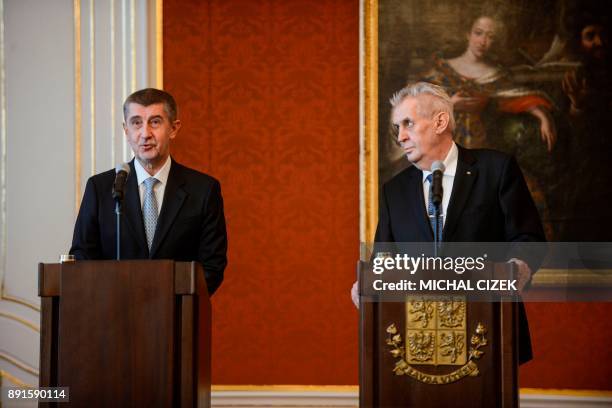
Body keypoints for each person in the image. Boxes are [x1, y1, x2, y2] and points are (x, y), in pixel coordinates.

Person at [351, 82, 545, 364]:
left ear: (440, 121)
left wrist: (518, 268)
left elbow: (529, 238)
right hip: (416, 340)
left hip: (487, 332)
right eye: (397, 128)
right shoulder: (394, 190)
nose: (401, 136)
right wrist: (368, 283)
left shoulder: (496, 169)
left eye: (408, 123)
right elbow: (385, 259)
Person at [70, 88, 227, 294]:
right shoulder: (100, 188)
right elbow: (82, 256)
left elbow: (212, 266)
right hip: (112, 317)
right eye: (136, 123)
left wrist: (171, 302)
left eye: (155, 122)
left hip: (178, 317)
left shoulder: (204, 190)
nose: (145, 134)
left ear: (173, 128)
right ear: (126, 131)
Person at [422, 14, 556, 152]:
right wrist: (450, 104)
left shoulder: (497, 75)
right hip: (440, 138)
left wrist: (543, 117)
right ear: (468, 34)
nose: (483, 41)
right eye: (478, 33)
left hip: (481, 139)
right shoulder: (442, 69)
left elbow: (515, 98)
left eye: (490, 37)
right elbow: (419, 103)